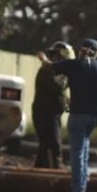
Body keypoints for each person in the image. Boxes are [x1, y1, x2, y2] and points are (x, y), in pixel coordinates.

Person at [40, 37, 97, 192]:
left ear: (82, 49)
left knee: (77, 153)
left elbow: (49, 67)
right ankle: (82, 188)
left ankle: (77, 191)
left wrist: (43, 57)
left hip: (77, 115)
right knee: (85, 150)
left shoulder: (73, 65)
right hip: (94, 117)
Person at [32, 41, 72, 169]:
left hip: (51, 113)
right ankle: (54, 173)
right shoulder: (48, 71)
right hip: (46, 113)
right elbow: (58, 88)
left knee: (45, 146)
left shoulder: (54, 71)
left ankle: (38, 176)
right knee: (53, 145)